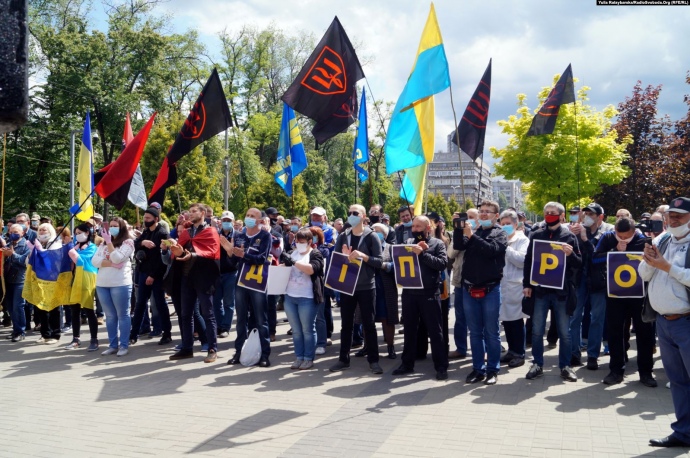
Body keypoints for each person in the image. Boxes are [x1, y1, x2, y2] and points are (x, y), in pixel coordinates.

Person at [640, 197, 690, 448]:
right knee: (678, 382)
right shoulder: (663, 239)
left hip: (686, 322)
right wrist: (650, 261)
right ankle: (683, 433)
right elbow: (643, 273)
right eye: (671, 215)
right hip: (664, 322)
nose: (674, 219)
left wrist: (666, 266)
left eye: (680, 215)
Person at [589, 217, 656, 386]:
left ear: (634, 232)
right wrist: (614, 250)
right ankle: (616, 371)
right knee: (615, 333)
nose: (623, 239)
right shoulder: (608, 237)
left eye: (627, 237)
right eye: (620, 236)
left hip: (639, 295)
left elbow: (654, 263)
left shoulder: (643, 240)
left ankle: (646, 372)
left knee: (644, 334)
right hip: (615, 294)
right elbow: (594, 259)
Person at [523, 202, 582, 382]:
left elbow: (579, 264)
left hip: (561, 292)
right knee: (537, 330)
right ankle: (537, 364)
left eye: (553, 212)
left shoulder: (569, 237)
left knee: (564, 332)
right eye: (547, 212)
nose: (549, 215)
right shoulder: (536, 235)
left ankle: (565, 366)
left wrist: (571, 254)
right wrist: (527, 285)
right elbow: (529, 261)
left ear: (562, 216)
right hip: (540, 291)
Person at [453, 201, 507, 385]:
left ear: (496, 216)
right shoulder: (475, 232)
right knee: (475, 332)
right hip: (469, 288)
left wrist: (471, 236)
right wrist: (459, 228)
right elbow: (459, 245)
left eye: (487, 212)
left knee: (491, 332)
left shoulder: (500, 233)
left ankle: (492, 369)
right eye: (481, 211)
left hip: (490, 289)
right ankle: (478, 369)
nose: (483, 214)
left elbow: (491, 250)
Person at [392, 216, 449, 380]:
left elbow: (442, 264)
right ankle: (407, 364)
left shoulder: (437, 244)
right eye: (414, 226)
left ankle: (441, 366)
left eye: (419, 226)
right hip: (410, 293)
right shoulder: (408, 242)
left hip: (429, 293)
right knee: (409, 330)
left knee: (435, 331)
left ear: (428, 228)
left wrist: (423, 254)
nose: (415, 229)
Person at [329, 204, 383, 374]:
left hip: (366, 286)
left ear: (363, 216)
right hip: (347, 286)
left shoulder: (372, 236)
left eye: (355, 213)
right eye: (349, 212)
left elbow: (379, 262)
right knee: (346, 324)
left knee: (369, 324)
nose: (351, 215)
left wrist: (363, 256)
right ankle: (343, 359)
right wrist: (344, 257)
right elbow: (336, 260)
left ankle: (373, 360)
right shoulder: (343, 236)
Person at [168, 203, 221, 363]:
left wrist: (192, 255)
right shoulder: (186, 232)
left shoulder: (211, 231)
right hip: (186, 277)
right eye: (189, 211)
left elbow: (212, 252)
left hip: (204, 278)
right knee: (185, 314)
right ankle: (187, 348)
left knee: (208, 314)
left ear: (203, 213)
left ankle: (212, 349)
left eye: (194, 211)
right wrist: (176, 250)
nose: (190, 214)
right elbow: (180, 253)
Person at [569, 203, 614, 369]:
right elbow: (574, 255)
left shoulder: (608, 232)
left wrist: (585, 239)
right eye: (586, 214)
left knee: (597, 318)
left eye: (592, 214)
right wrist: (572, 236)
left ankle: (593, 355)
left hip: (599, 280)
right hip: (580, 278)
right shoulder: (578, 230)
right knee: (575, 317)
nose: (587, 217)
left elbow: (599, 256)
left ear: (600, 217)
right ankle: (574, 353)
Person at [228, 207, 272, 367]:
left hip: (257, 282)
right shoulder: (239, 236)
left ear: (259, 220)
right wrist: (230, 253)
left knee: (261, 319)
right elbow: (233, 262)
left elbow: (262, 258)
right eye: (247, 215)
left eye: (253, 216)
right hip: (241, 281)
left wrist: (244, 255)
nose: (249, 218)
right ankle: (239, 352)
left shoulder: (265, 236)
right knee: (241, 319)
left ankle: (265, 355)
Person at [281, 228, 325, 370]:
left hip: (307, 297)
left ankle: (308, 358)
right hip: (290, 296)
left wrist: (293, 262)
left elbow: (311, 269)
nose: (299, 244)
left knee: (307, 330)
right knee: (296, 331)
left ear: (310, 242)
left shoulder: (315, 253)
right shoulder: (292, 253)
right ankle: (299, 357)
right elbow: (285, 268)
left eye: (302, 242)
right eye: (297, 241)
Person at [92, 218, 135, 356]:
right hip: (102, 284)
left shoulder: (128, 242)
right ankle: (113, 345)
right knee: (110, 316)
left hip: (120, 283)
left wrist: (109, 243)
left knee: (123, 315)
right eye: (110, 226)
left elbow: (117, 257)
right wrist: (111, 264)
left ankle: (124, 345)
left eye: (115, 226)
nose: (112, 228)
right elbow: (94, 261)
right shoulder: (103, 243)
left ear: (122, 228)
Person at [130, 206, 172, 345]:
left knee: (160, 304)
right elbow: (135, 244)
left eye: (148, 218)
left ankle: (166, 333)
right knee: (140, 304)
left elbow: (163, 260)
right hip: (143, 272)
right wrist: (142, 242)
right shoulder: (146, 232)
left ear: (156, 219)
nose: (145, 220)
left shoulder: (163, 234)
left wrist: (153, 276)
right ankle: (134, 334)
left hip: (157, 276)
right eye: (144, 218)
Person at [498, 210, 529, 367]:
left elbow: (522, 260)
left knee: (516, 321)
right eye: (502, 224)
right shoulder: (499, 238)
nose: (505, 227)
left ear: (516, 224)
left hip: (515, 285)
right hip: (502, 285)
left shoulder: (522, 240)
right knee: (506, 321)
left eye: (508, 224)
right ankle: (511, 350)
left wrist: (506, 247)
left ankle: (519, 353)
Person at [448, 208, 478, 359]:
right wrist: (458, 231)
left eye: (471, 217)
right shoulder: (458, 233)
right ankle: (461, 348)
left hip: (477, 283)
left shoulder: (481, 233)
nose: (468, 220)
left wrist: (471, 235)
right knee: (460, 318)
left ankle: (480, 350)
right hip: (460, 281)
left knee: (478, 319)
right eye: (466, 217)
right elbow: (450, 253)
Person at [64, 223, 99, 351]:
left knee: (89, 310)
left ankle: (94, 339)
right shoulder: (74, 246)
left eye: (80, 233)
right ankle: (76, 339)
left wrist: (72, 252)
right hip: (74, 280)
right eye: (76, 233)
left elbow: (82, 261)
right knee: (75, 310)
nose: (77, 235)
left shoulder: (92, 247)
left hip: (87, 279)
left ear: (87, 233)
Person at [370, 223, 399, 359]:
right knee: (367, 318)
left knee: (387, 319)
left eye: (377, 231)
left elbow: (398, 265)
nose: (374, 233)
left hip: (386, 289)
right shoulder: (366, 248)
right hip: (368, 287)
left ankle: (390, 347)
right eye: (372, 231)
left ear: (385, 235)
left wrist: (385, 265)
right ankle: (368, 347)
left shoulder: (391, 248)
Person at [33, 222, 63, 344]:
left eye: (44, 230)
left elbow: (55, 263)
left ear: (50, 232)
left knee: (54, 308)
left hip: (53, 280)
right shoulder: (38, 244)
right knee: (41, 308)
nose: (41, 232)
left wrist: (43, 253)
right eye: (40, 230)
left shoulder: (56, 245)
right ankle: (45, 334)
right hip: (39, 280)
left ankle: (55, 334)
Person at [2, 224, 30, 341]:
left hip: (20, 280)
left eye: (16, 232)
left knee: (18, 306)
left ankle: (20, 331)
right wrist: (4, 255)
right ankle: (15, 330)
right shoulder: (9, 244)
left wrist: (12, 254)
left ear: (22, 233)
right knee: (10, 306)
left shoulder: (26, 245)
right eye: (11, 232)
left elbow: (25, 262)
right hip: (8, 280)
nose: (13, 234)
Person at [214, 210, 237, 339]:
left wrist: (231, 250)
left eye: (229, 221)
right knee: (216, 302)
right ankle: (219, 325)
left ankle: (225, 327)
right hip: (217, 273)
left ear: (233, 222)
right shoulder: (216, 235)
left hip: (231, 273)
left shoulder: (237, 236)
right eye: (224, 220)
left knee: (229, 302)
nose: (226, 222)